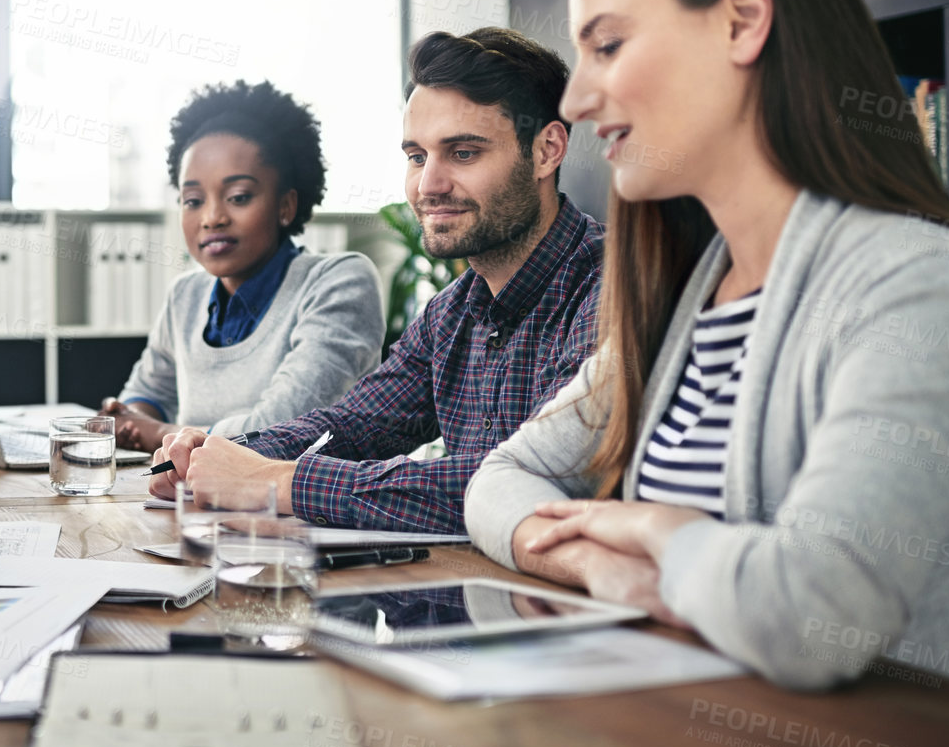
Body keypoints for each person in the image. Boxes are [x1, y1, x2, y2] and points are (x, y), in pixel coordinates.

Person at [462, 0, 949, 690]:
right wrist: (606, 568)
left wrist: (657, 532)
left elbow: (814, 615)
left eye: (606, 46)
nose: (575, 95)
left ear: (741, 21)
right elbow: (495, 480)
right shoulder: (681, 295)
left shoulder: (923, 287)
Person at [153, 29, 604, 532]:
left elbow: (534, 483)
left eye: (463, 153)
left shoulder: (607, 291)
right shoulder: (451, 311)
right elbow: (354, 425)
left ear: (546, 151)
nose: (428, 186)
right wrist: (223, 456)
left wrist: (278, 483)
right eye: (416, 157)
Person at [99, 81, 384, 452]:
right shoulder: (185, 295)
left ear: (286, 205)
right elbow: (146, 394)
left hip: (298, 506)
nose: (212, 217)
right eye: (193, 200)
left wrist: (157, 434)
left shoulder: (340, 282)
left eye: (238, 197)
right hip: (192, 502)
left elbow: (278, 431)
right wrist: (131, 419)